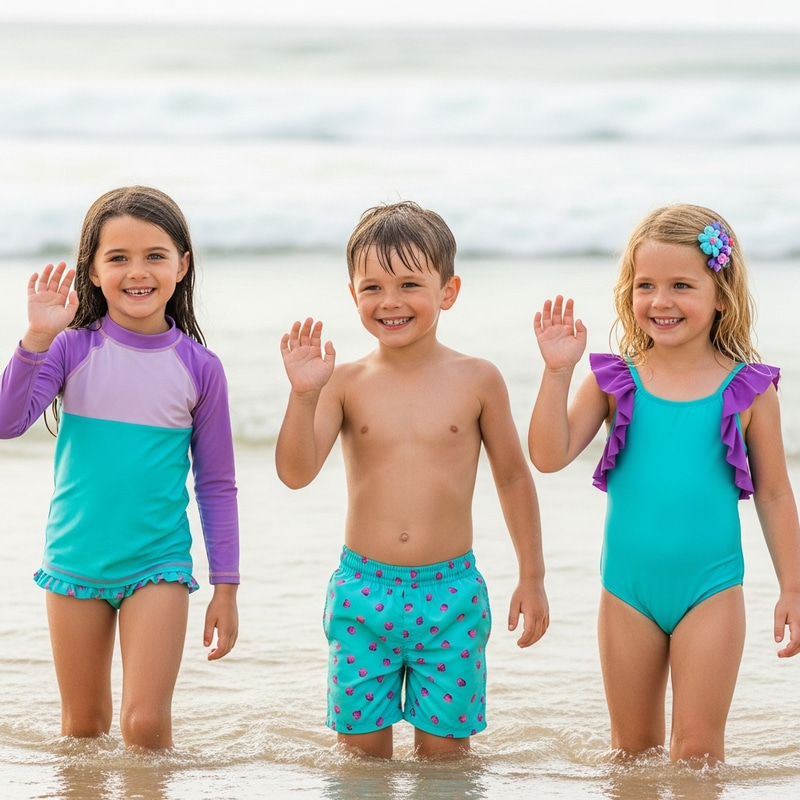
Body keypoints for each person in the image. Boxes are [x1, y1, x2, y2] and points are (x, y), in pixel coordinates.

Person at [528, 204, 800, 765]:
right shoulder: (613, 380)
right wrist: (557, 374)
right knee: (631, 755)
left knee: (698, 755)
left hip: (712, 591)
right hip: (627, 593)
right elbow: (548, 456)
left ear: (721, 293)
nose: (661, 301)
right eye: (645, 285)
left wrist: (793, 587)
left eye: (682, 285)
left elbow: (773, 493)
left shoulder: (749, 389)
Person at [276, 200, 548, 760]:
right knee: (361, 763)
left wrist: (532, 575)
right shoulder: (343, 382)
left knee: (446, 761)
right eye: (372, 287)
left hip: (450, 594)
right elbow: (295, 473)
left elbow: (514, 478)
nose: (390, 301)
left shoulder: (478, 378)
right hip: (362, 592)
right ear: (352, 295)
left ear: (447, 291)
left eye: (409, 284)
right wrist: (303, 396)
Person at [0, 186, 240, 750]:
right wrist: (36, 338)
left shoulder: (200, 369)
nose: (138, 271)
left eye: (155, 255)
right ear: (92, 269)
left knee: (145, 726)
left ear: (182, 265)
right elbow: (8, 422)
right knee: (83, 729)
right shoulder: (68, 348)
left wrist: (225, 587)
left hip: (157, 562)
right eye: (118, 257)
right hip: (74, 561)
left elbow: (216, 483)